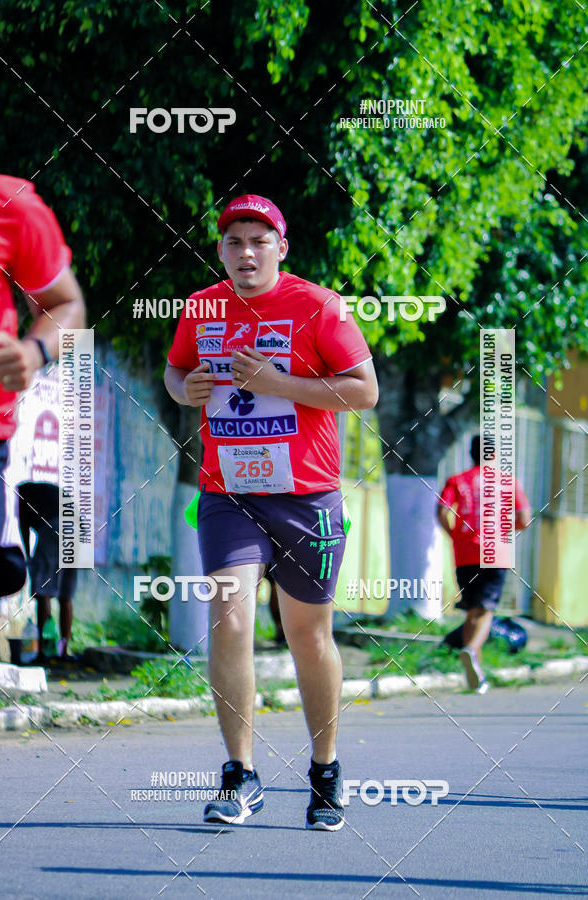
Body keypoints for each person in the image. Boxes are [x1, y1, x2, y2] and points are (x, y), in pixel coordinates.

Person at [165, 194, 377, 830]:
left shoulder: (320, 306)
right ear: (221, 250)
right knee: (229, 618)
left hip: (307, 497)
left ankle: (325, 770)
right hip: (228, 492)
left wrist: (276, 384)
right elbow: (176, 374)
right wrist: (186, 389)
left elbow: (364, 391)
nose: (246, 253)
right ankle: (240, 774)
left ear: (281, 248)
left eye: (260, 241)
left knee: (307, 634)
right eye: (234, 242)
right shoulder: (200, 307)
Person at [0, 167, 85, 654]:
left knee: (54, 585)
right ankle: (54, 643)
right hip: (45, 513)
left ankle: (57, 645)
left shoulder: (10, 205)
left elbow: (67, 305)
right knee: (48, 583)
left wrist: (34, 351)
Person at [437, 434, 531, 692]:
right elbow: (524, 519)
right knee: (486, 609)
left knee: (472, 610)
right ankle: (471, 649)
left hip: (465, 552)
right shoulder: (508, 481)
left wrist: (455, 535)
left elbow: (442, 511)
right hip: (495, 551)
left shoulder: (457, 480)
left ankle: (474, 672)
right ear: (494, 454)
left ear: (471, 453)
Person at [17, 480, 79, 664]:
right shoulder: (40, 491)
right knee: (65, 595)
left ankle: (44, 652)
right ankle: (63, 651)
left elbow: (24, 527)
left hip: (54, 526)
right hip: (77, 528)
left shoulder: (19, 494)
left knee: (43, 591)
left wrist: (29, 559)